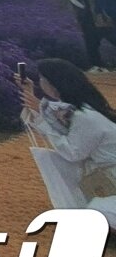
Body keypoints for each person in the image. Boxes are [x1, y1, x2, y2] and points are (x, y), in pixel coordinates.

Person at [18, 58, 116, 228]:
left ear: (53, 84)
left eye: (42, 79)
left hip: (110, 177)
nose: (40, 82)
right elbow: (63, 133)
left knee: (94, 213)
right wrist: (33, 98)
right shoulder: (83, 110)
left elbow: (72, 152)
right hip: (108, 177)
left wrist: (40, 116)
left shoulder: (85, 117)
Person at [62, 0, 116, 70]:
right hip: (85, 23)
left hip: (100, 21)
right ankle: (98, 67)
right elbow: (66, 5)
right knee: (91, 47)